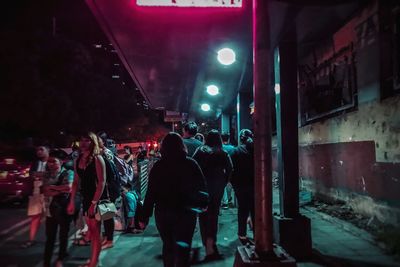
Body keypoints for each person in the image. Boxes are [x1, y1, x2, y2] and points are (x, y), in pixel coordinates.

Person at [141, 132, 208, 267]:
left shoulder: (158, 167)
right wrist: (203, 203)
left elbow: (151, 192)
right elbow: (202, 186)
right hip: (186, 212)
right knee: (184, 248)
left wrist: (144, 216)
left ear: (163, 147)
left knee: (168, 246)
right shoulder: (191, 164)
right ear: (181, 146)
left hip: (163, 213)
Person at [67, 132, 106, 267]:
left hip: (97, 198)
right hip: (85, 198)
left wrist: (94, 203)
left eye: (87, 141)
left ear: (93, 142)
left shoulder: (97, 159)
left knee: (95, 231)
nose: (83, 143)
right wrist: (71, 200)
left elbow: (101, 182)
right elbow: (76, 182)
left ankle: (93, 262)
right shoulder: (78, 160)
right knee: (91, 229)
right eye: (81, 140)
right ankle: (94, 260)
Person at [193, 130, 233, 260]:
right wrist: (224, 181)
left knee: (203, 215)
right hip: (217, 187)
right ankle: (212, 240)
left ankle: (206, 242)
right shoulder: (222, 152)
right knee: (214, 214)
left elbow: (193, 166)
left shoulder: (200, 150)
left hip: (202, 187)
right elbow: (230, 168)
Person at [42, 152, 74, 267]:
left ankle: (60, 259)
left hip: (63, 207)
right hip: (49, 209)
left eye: (53, 161)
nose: (50, 164)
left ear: (60, 162)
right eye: (49, 161)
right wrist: (60, 189)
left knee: (63, 234)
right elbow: (45, 191)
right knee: (50, 237)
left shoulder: (68, 172)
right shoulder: (46, 175)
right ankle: (46, 262)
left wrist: (52, 188)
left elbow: (69, 188)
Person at [21, 145, 49, 248]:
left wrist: (40, 175)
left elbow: (52, 175)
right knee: (35, 216)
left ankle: (51, 240)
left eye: (42, 149)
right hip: (36, 191)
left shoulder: (52, 162)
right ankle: (31, 240)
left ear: (47, 151)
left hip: (48, 191)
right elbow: (31, 175)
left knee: (50, 217)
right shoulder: (35, 163)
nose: (39, 152)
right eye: (37, 150)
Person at [230, 129, 255, 244]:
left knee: (242, 209)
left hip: (240, 185)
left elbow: (230, 169)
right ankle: (257, 232)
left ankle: (242, 234)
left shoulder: (235, 151)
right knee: (255, 209)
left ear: (240, 138)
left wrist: (233, 182)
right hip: (255, 184)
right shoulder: (256, 149)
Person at [221, 132, 235, 209]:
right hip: (231, 169)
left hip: (222, 169)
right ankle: (229, 199)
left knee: (223, 186)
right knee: (229, 184)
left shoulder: (221, 148)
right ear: (228, 139)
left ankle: (225, 201)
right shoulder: (233, 148)